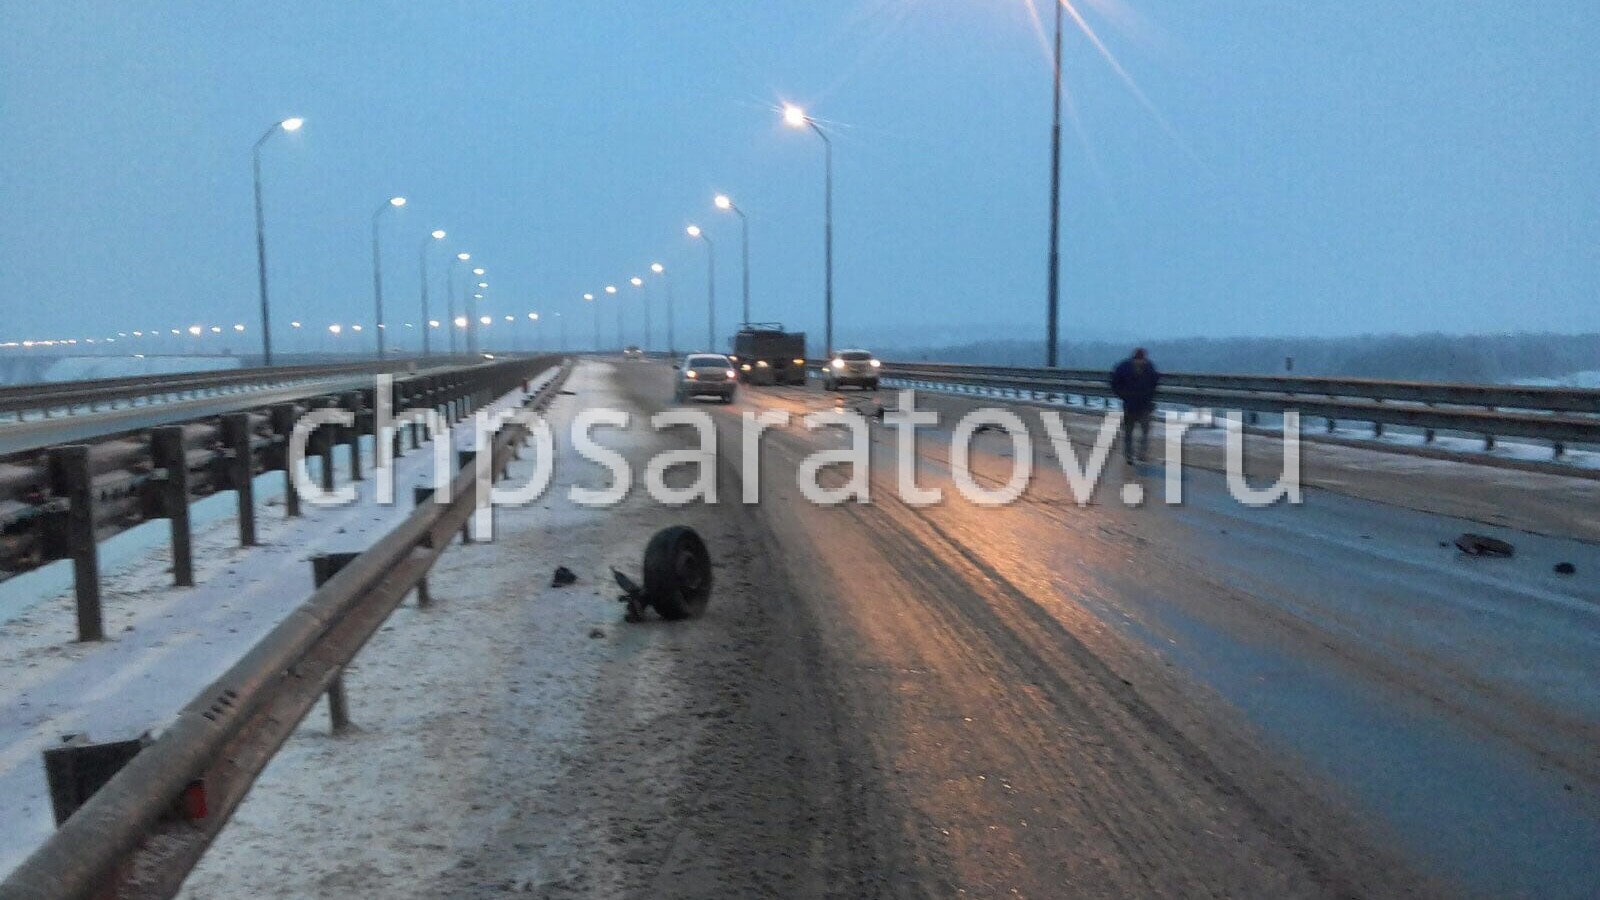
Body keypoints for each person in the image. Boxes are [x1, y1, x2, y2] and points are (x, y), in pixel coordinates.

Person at [1110, 348, 1159, 463]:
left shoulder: (1148, 367)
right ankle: (1129, 454)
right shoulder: (1125, 367)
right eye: (1140, 359)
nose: (1141, 362)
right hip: (1131, 404)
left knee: (1143, 431)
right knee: (1129, 431)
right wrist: (1124, 395)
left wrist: (1150, 399)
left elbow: (1154, 384)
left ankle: (1141, 454)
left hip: (1143, 405)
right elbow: (1115, 383)